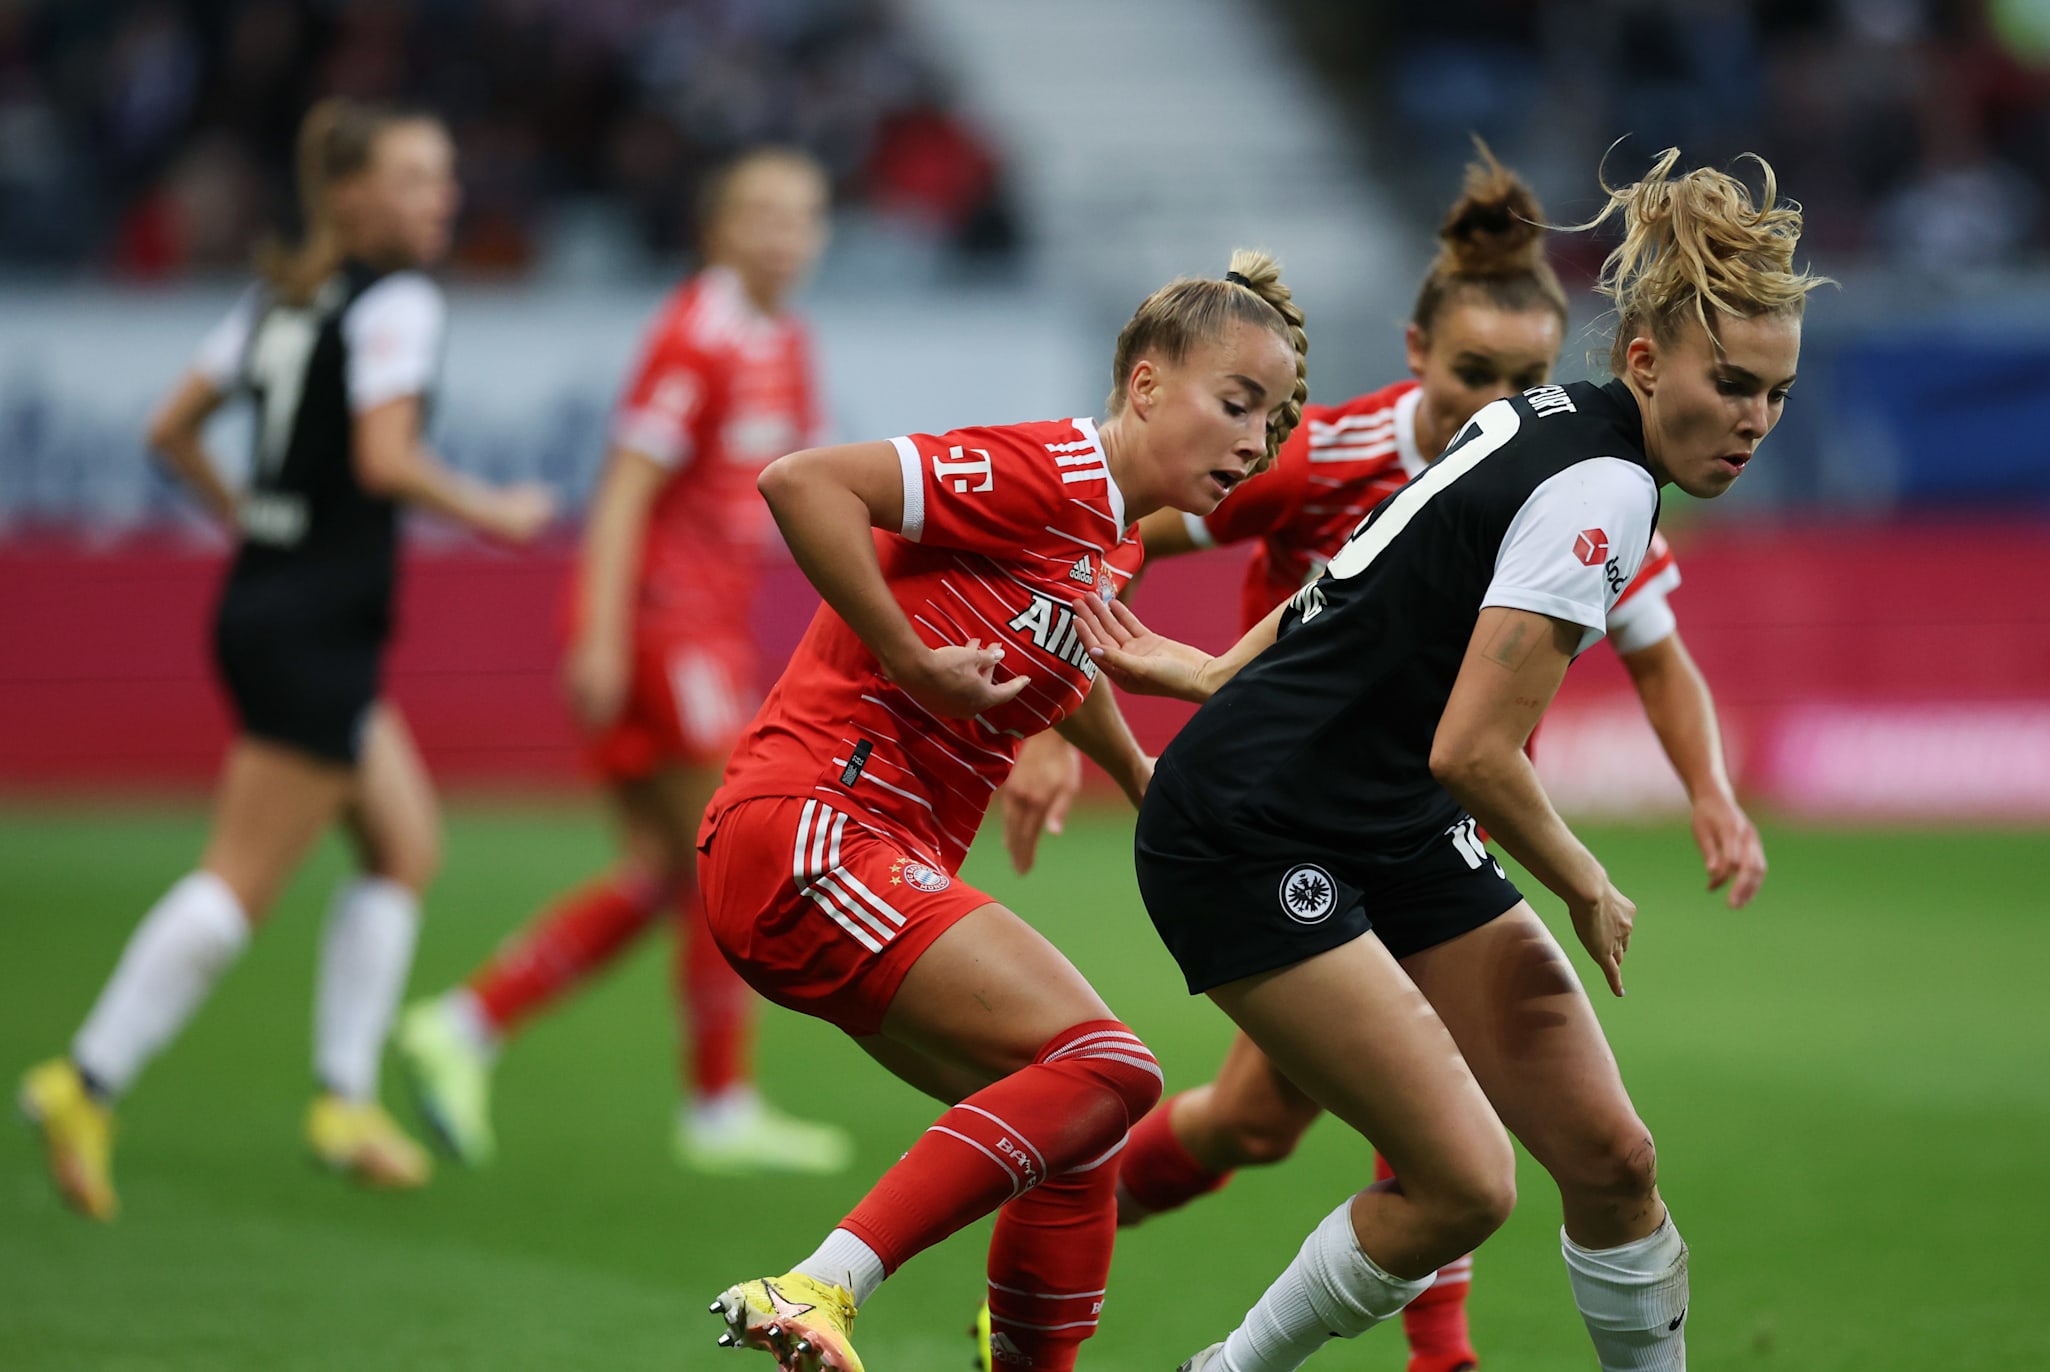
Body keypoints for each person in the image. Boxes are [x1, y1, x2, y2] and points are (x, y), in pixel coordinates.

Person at [997, 152, 1770, 1372]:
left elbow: (1356, 573)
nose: (1754, 420)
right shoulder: (1600, 487)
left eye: (1773, 394)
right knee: (1460, 1180)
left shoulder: (1547, 426)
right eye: (1731, 384)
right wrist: (1581, 877)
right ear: (1642, 363)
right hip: (1254, 824)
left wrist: (1209, 669)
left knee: (1612, 1157)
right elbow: (1473, 748)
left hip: (1386, 818)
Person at [697, 252, 1309, 1372]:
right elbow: (801, 482)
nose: (1253, 442)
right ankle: (815, 1286)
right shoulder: (1055, 470)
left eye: (1269, 421)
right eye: (1237, 404)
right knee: (1112, 1066)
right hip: (813, 827)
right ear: (1144, 383)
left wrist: (1135, 769)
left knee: (1077, 1124)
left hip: (840, 853)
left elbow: (1058, 657)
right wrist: (909, 660)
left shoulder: (1110, 535)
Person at [17, 99, 553, 1220]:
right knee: (239, 879)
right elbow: (386, 456)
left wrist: (257, 522)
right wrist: (494, 509)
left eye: (444, 175)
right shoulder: (398, 298)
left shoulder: (280, 296)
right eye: (416, 177)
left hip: (271, 603)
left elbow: (168, 430)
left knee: (404, 845)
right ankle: (86, 1077)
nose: (441, 197)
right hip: (317, 622)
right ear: (350, 197)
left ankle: (342, 1099)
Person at [395, 148, 851, 1176]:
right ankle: (718, 1104)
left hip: (707, 624)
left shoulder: (785, 341)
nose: (784, 233)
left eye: (803, 215)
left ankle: (468, 1022)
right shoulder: (696, 336)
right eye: (763, 213)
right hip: (663, 625)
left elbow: (799, 490)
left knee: (664, 871)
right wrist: (599, 631)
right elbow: (625, 486)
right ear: (719, 228)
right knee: (736, 847)